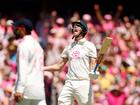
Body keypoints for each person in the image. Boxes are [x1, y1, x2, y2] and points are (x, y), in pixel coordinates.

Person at [43, 20, 97, 105]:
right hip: (69, 82)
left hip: (83, 82)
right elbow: (58, 66)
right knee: (62, 103)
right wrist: (42, 68)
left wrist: (93, 72)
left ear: (84, 30)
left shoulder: (90, 46)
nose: (75, 27)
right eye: (74, 26)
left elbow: (93, 63)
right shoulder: (68, 47)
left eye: (78, 26)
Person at [13, 18, 46, 105]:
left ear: (23, 28)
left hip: (26, 89)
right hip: (39, 89)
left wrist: (19, 89)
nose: (14, 30)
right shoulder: (38, 46)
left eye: (16, 28)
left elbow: (22, 69)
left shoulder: (23, 45)